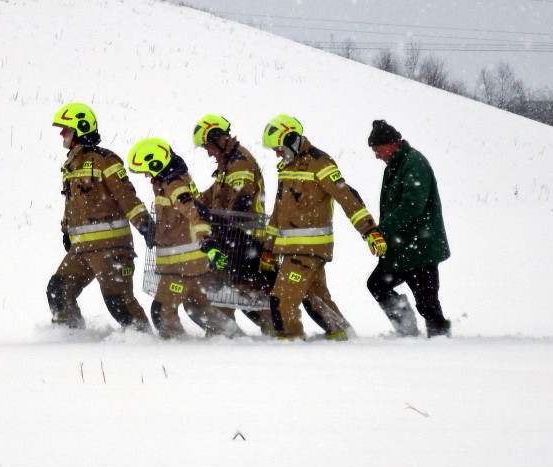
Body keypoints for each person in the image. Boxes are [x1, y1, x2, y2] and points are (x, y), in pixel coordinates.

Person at [260, 114, 384, 340]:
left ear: (291, 139)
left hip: (308, 249)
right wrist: (269, 249)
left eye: (279, 148)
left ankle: (288, 346)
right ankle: (343, 336)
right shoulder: (286, 167)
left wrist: (370, 231)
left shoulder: (319, 162)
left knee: (281, 302)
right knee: (316, 299)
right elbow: (279, 211)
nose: (277, 154)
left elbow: (347, 197)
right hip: (292, 249)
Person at [47, 102, 153, 332]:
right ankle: (69, 338)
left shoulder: (105, 159)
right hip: (81, 249)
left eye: (66, 128)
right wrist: (67, 231)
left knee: (119, 303)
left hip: (111, 248)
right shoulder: (71, 165)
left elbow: (125, 194)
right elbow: (72, 203)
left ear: (81, 128)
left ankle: (144, 341)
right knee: (58, 290)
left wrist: (144, 224)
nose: (61, 133)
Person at [127, 137, 238, 339]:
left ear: (156, 163)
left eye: (145, 169)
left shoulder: (175, 185)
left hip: (182, 265)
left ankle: (178, 349)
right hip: (187, 263)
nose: (145, 175)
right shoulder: (166, 181)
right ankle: (231, 335)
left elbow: (196, 213)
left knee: (162, 311)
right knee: (198, 307)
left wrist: (208, 242)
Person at [365, 120, 452, 338]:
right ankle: (407, 329)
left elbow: (412, 206)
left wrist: (382, 229)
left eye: (377, 150)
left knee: (427, 302)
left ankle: (441, 340)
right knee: (377, 285)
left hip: (420, 248)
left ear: (391, 143)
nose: (376, 155)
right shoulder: (395, 165)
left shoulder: (414, 163)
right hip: (401, 248)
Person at [192, 114, 273, 334]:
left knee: (249, 296)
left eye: (208, 146)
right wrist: (192, 204)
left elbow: (242, 201)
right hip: (231, 238)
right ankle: (223, 336)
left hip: (245, 240)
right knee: (221, 290)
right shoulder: (227, 164)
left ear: (218, 139)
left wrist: (215, 218)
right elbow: (213, 194)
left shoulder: (239, 163)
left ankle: (276, 334)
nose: (208, 152)